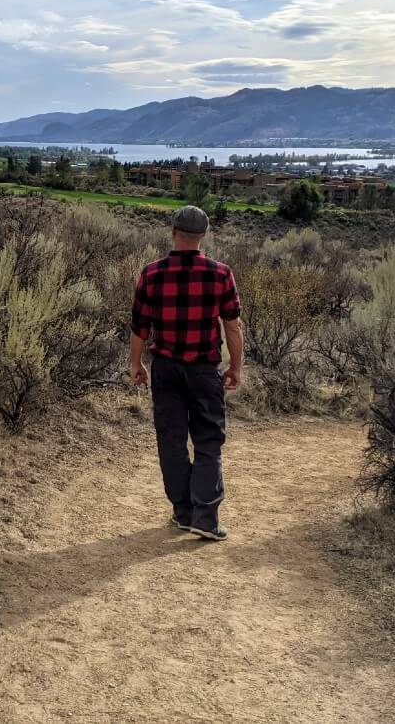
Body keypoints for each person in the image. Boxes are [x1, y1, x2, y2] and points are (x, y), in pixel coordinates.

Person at [129, 205, 243, 541]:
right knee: (208, 441)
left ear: (173, 232)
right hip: (204, 370)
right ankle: (205, 517)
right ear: (203, 235)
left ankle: (183, 510)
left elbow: (139, 327)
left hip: (165, 369)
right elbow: (233, 326)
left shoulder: (151, 273)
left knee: (171, 440)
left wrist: (136, 364)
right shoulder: (220, 273)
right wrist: (235, 366)